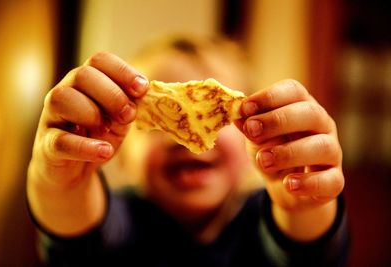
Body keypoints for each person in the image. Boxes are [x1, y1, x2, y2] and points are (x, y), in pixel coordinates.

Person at [26, 35, 349, 266]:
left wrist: (304, 202)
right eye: (158, 124)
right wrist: (58, 180)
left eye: (214, 119)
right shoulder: (123, 219)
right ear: (121, 154)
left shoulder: (264, 216)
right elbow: (75, 228)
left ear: (253, 134)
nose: (182, 139)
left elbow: (307, 251)